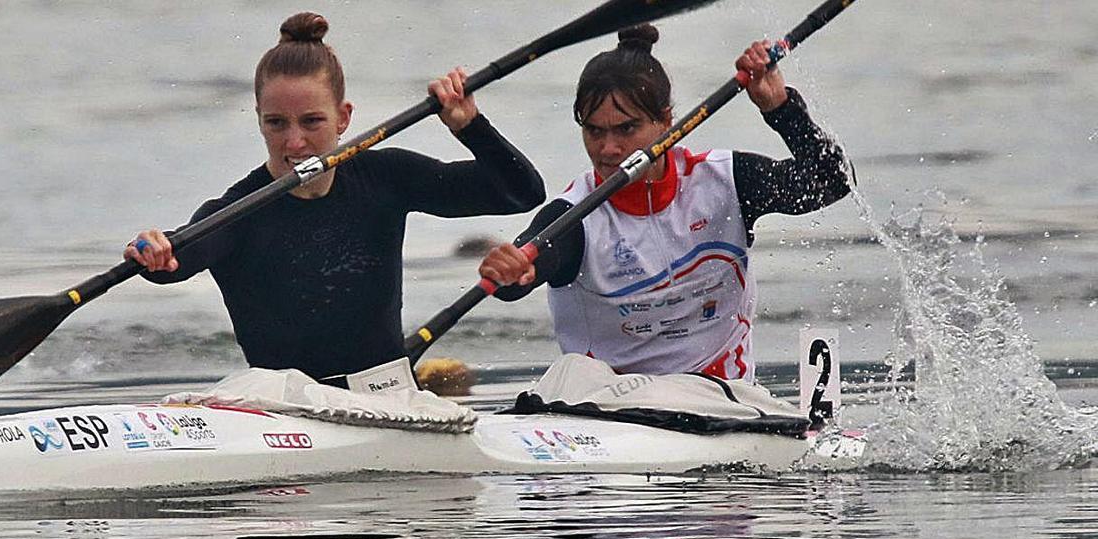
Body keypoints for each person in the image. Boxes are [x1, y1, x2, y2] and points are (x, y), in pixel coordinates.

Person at [126, 12, 545, 382]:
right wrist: (154, 250)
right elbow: (173, 264)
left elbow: (520, 192)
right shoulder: (238, 211)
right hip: (284, 406)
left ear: (344, 118)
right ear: (258, 119)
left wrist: (469, 126)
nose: (294, 142)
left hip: (384, 394)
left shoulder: (386, 175)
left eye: (312, 121)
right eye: (276, 123)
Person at [478, 25, 849, 382]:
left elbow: (833, 182)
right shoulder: (575, 216)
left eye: (626, 129)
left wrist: (780, 108)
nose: (608, 149)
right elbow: (526, 273)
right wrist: (515, 272)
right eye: (594, 131)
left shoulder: (725, 181)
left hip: (721, 399)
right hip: (613, 409)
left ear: (666, 122)